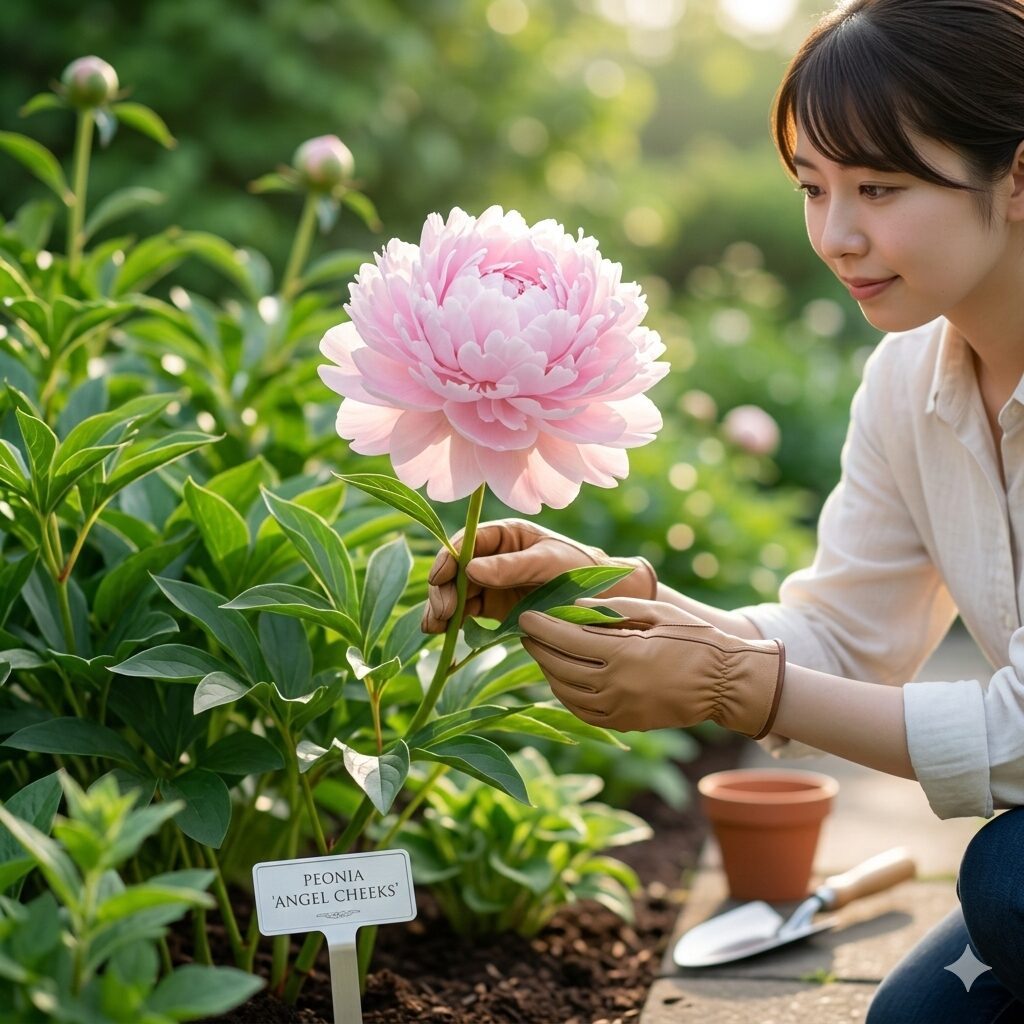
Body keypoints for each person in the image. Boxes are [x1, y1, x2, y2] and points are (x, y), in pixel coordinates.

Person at [423, 0, 1024, 1019]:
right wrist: (625, 600)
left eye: (878, 186)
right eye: (811, 186)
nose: (836, 234)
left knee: (1006, 883)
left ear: (1016, 175)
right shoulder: (905, 379)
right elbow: (843, 631)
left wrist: (736, 686)